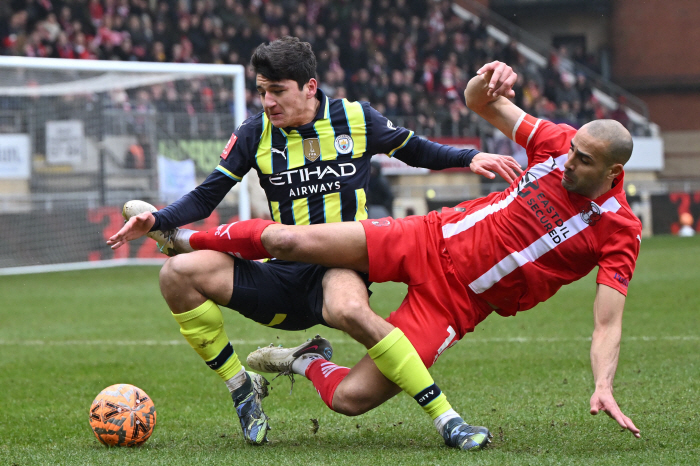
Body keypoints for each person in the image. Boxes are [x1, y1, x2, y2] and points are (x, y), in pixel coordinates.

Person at [141, 60, 643, 443]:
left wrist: (604, 383)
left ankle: (302, 360)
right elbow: (481, 103)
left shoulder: (620, 230)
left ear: (612, 174)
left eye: (584, 161)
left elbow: (608, 322)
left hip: (459, 303)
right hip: (428, 237)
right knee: (286, 238)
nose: (569, 163)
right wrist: (485, 81)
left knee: (348, 400)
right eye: (572, 151)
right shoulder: (555, 143)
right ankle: (180, 239)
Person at [107, 37, 522, 449]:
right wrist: (156, 218)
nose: (268, 101)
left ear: (309, 86)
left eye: (278, 91)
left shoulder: (355, 118)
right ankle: (242, 387)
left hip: (341, 263)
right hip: (283, 271)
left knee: (349, 308)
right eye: (262, 91)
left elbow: (412, 148)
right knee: (175, 274)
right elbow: (206, 195)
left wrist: (468, 157)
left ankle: (447, 420)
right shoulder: (255, 133)